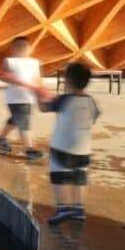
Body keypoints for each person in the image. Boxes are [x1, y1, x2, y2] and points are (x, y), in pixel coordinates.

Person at [38, 62, 98, 226]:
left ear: (67, 81)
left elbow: (43, 108)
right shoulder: (91, 101)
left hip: (62, 149)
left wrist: (38, 95)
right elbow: (94, 116)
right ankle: (78, 209)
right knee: (79, 178)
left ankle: (63, 208)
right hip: (84, 151)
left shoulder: (64, 99)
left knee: (59, 177)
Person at [0, 36, 44, 160]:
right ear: (13, 49)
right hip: (15, 98)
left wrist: (40, 94)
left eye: (25, 47)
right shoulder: (9, 61)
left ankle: (1, 138)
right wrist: (13, 80)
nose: (22, 49)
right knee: (24, 122)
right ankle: (29, 149)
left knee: (15, 120)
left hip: (29, 98)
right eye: (18, 46)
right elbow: (0, 75)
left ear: (30, 49)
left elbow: (37, 80)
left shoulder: (34, 63)